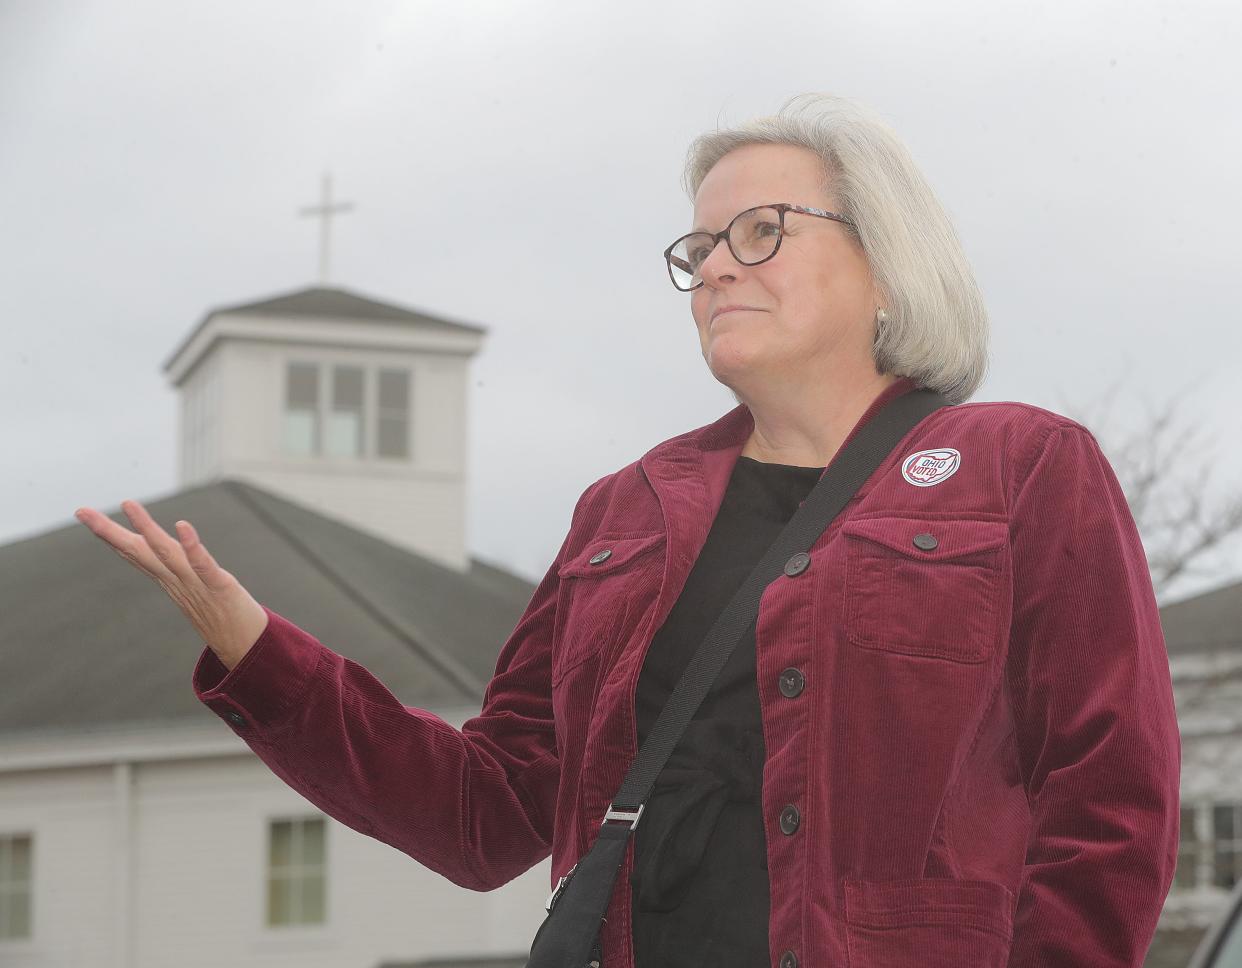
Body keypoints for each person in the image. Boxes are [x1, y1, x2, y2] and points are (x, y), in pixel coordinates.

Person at [75, 93, 1181, 968]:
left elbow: (1111, 798)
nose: (716, 268)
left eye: (761, 230)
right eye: (698, 249)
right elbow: (485, 811)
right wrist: (260, 652)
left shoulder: (1021, 467)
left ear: (888, 260)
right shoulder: (627, 510)